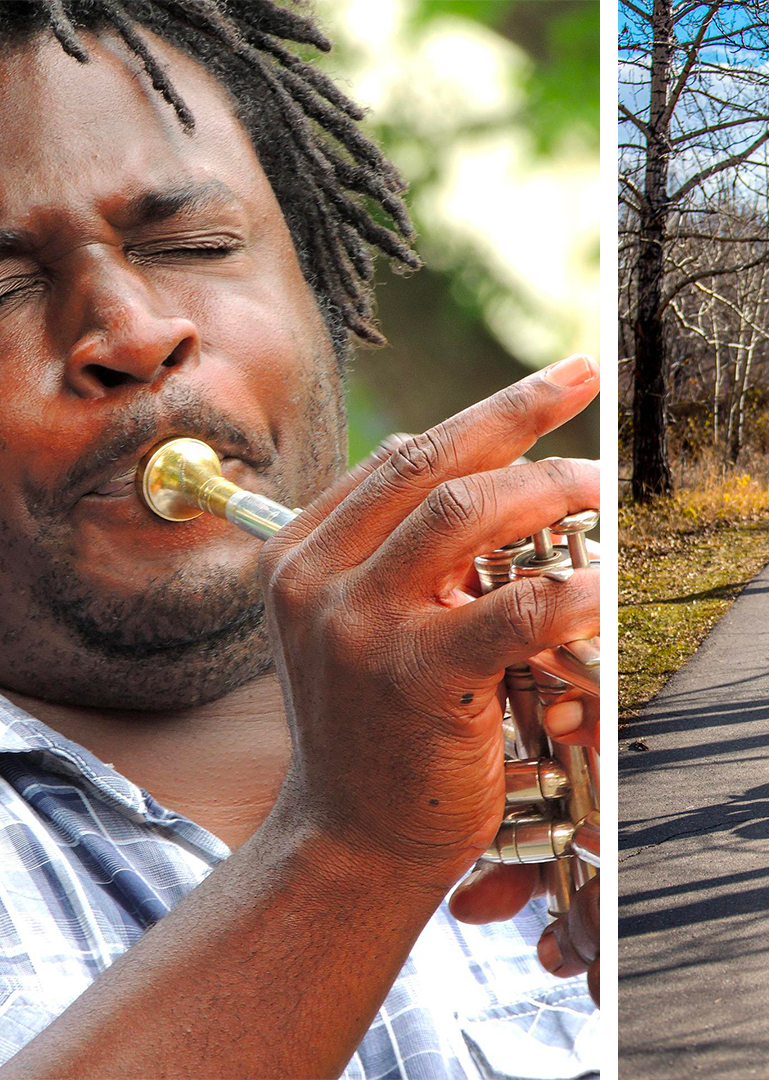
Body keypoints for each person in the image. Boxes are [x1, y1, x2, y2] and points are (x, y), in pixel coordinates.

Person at [0, 5, 599, 1076]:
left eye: (195, 245)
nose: (134, 334)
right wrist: (356, 851)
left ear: (321, 295)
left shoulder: (564, 747)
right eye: (1, 288)